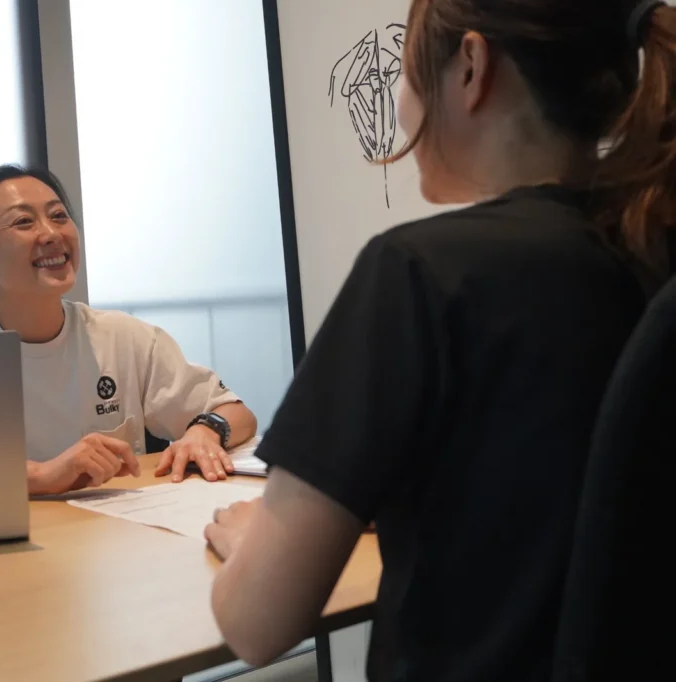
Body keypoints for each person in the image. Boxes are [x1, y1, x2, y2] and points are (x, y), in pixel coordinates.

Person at [206, 1, 676, 680]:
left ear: (472, 68)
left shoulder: (419, 273)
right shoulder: (653, 256)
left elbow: (257, 623)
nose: (400, 105)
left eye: (405, 72)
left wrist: (253, 538)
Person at [0, 164, 257, 495]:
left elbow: (235, 413)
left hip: (114, 529)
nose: (51, 233)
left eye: (59, 216)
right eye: (24, 222)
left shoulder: (123, 337)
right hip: (3, 532)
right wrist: (44, 476)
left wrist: (205, 432)